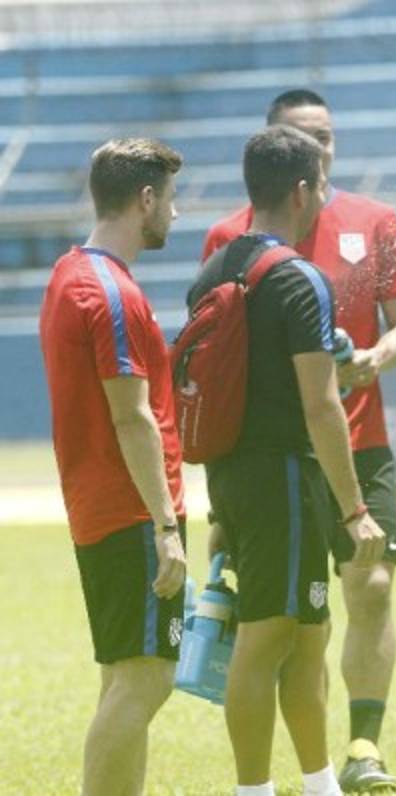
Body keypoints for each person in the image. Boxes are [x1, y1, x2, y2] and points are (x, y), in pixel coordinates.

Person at [203, 89, 396, 792]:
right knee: (287, 625)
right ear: (280, 152)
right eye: (305, 138)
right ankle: (275, 779)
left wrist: (373, 361)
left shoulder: (374, 221)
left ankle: (360, 746)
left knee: (370, 586)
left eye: (328, 135)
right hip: (281, 458)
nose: (321, 149)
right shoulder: (230, 240)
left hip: (357, 441)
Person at [39, 138, 187, 796]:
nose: (175, 216)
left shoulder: (68, 273)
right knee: (148, 679)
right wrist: (166, 525)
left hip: (98, 507)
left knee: (125, 677)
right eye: (171, 200)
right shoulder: (111, 293)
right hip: (131, 512)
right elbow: (131, 418)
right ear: (145, 198)